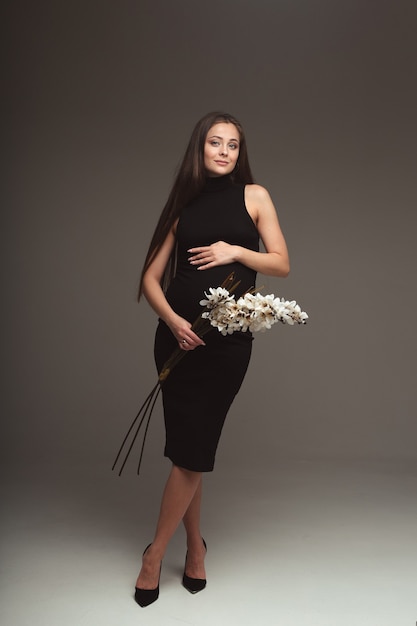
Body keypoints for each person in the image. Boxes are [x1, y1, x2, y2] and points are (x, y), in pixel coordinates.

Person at [134, 111, 290, 607]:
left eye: (233, 145)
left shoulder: (255, 196)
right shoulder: (183, 204)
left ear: (241, 153)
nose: (224, 152)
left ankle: (154, 554)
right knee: (189, 450)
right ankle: (194, 550)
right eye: (215, 143)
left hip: (226, 345)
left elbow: (282, 264)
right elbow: (150, 280)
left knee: (191, 449)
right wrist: (174, 323)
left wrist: (235, 252)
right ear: (199, 150)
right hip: (177, 341)